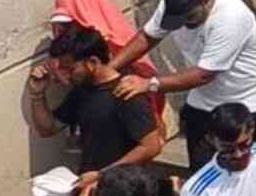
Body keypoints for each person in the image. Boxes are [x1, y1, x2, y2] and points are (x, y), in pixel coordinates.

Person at [107, 0, 256, 169]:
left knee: (251, 169)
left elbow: (203, 74)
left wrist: (150, 84)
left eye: (189, 18)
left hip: (249, 99)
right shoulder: (174, 6)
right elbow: (148, 36)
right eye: (177, 21)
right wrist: (109, 69)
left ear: (206, 0)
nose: (183, 25)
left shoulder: (230, 17)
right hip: (205, 99)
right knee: (201, 167)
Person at [27, 24, 165, 182]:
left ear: (92, 62)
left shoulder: (126, 92)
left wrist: (102, 175)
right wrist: (37, 94)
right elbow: (47, 129)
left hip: (123, 190)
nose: (65, 76)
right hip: (92, 187)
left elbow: (151, 146)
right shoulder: (82, 92)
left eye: (70, 69)